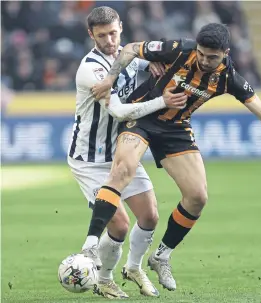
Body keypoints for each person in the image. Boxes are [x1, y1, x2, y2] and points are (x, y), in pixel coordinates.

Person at [86, 23, 261, 291]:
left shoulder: (229, 78)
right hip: (141, 116)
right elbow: (132, 49)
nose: (205, 61)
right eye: (202, 54)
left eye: (212, 57)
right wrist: (111, 78)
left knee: (197, 197)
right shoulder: (180, 49)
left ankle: (161, 256)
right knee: (124, 169)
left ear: (225, 53)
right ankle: (90, 244)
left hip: (176, 128)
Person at [68, 6, 187, 299]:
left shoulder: (129, 56)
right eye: (102, 36)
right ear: (90, 35)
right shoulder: (91, 69)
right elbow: (119, 111)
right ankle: (105, 278)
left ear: (121, 27)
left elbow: (148, 62)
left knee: (150, 217)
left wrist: (154, 62)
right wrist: (162, 101)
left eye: (113, 33)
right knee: (120, 224)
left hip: (122, 151)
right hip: (90, 159)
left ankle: (133, 268)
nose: (109, 40)